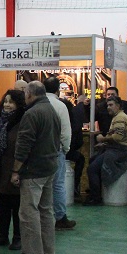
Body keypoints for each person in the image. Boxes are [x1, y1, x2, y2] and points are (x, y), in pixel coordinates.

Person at [10, 81, 60, 254]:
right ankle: (48, 251)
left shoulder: (32, 113)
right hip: (49, 167)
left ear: (30, 94)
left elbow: (24, 145)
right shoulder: (52, 110)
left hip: (33, 170)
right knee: (46, 211)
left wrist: (16, 170)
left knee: (28, 212)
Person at [0, 89, 26, 250]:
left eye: (11, 102)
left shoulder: (22, 121)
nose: (7, 105)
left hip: (14, 168)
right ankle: (2, 235)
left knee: (16, 204)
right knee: (1, 203)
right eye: (6, 101)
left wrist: (18, 169)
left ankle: (17, 237)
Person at [85, 96, 127, 205]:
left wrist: (102, 139)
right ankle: (96, 192)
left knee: (92, 169)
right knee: (93, 160)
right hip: (117, 149)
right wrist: (104, 143)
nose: (108, 107)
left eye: (111, 105)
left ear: (118, 105)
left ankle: (95, 197)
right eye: (107, 105)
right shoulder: (118, 117)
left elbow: (117, 137)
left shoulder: (120, 118)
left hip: (120, 151)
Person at [43, 77, 76, 231]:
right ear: (58, 90)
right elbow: (65, 131)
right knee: (58, 185)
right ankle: (60, 217)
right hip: (56, 150)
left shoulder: (37, 104)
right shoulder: (61, 106)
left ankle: (43, 217)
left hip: (40, 151)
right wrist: (65, 148)